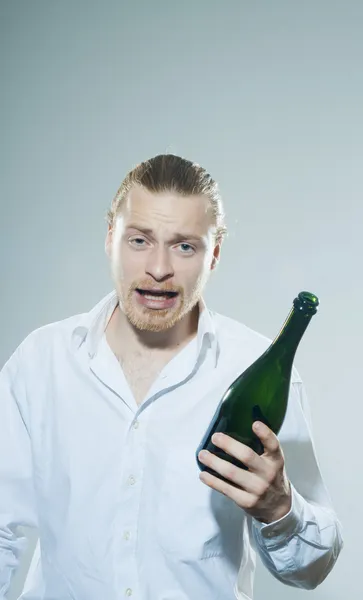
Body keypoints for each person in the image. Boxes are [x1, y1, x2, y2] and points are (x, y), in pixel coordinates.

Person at [0, 154, 343, 600]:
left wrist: (280, 507)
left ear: (214, 253)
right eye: (140, 240)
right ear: (110, 238)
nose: (159, 268)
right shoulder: (41, 362)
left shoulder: (255, 367)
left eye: (185, 246)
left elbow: (311, 569)